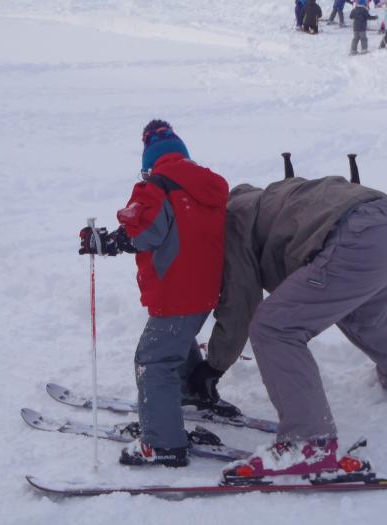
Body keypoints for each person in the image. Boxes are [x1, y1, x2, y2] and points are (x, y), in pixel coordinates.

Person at [189, 168, 387, 482]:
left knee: (274, 327)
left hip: (358, 239)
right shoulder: (265, 200)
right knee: (363, 313)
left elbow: (241, 304)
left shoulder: (232, 221)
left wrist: (213, 366)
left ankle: (308, 443)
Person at [79, 120, 229, 468]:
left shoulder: (156, 187)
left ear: (150, 160)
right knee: (179, 340)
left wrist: (104, 241)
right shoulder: (209, 187)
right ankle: (187, 393)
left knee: (154, 361)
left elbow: (143, 232)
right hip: (206, 290)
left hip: (176, 292)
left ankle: (163, 443)